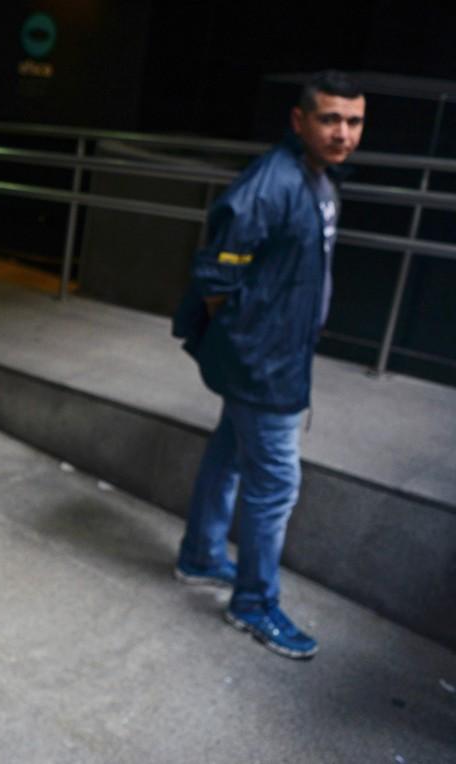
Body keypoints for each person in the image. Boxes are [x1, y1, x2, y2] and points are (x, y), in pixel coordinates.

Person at [172, 70, 366, 660]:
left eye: (354, 121)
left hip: (278, 354)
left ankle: (202, 555)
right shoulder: (273, 183)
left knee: (231, 452)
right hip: (265, 362)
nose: (342, 133)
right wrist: (249, 347)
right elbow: (216, 277)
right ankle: (254, 603)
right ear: (300, 120)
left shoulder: (318, 179)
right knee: (276, 484)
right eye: (330, 119)